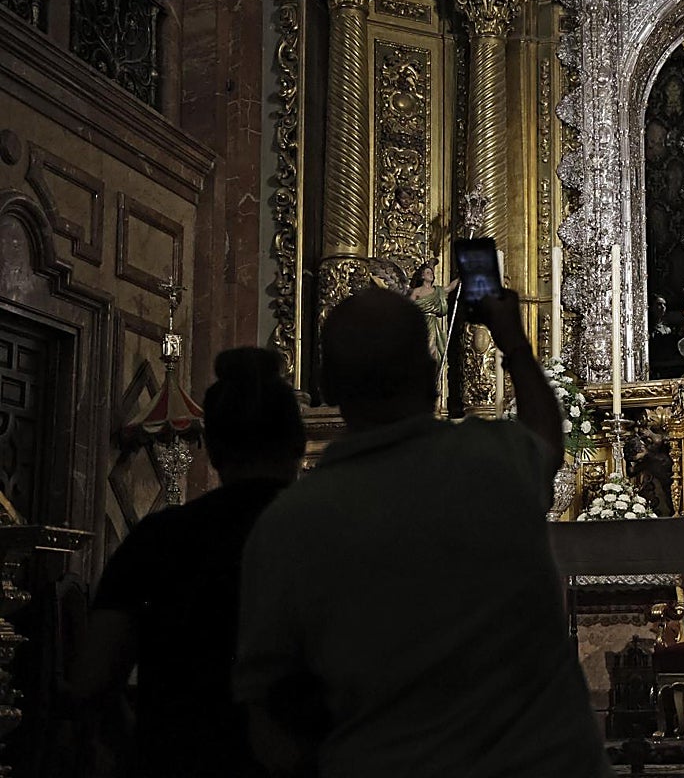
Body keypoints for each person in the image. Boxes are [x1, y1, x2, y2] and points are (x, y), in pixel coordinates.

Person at [233, 288, 613, 778]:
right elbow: (546, 435)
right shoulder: (495, 461)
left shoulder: (288, 523)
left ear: (328, 384)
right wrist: (514, 343)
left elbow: (269, 718)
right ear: (433, 376)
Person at [72, 347, 307, 778]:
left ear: (213, 449)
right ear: (298, 443)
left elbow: (93, 679)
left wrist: (138, 749)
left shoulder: (158, 538)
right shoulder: (335, 535)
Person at [407, 260, 459, 365]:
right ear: (422, 276)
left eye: (432, 273)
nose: (431, 275)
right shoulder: (417, 291)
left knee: (433, 352)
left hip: (433, 325)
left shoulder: (437, 291)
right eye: (428, 273)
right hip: (421, 323)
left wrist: (460, 277)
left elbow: (450, 287)